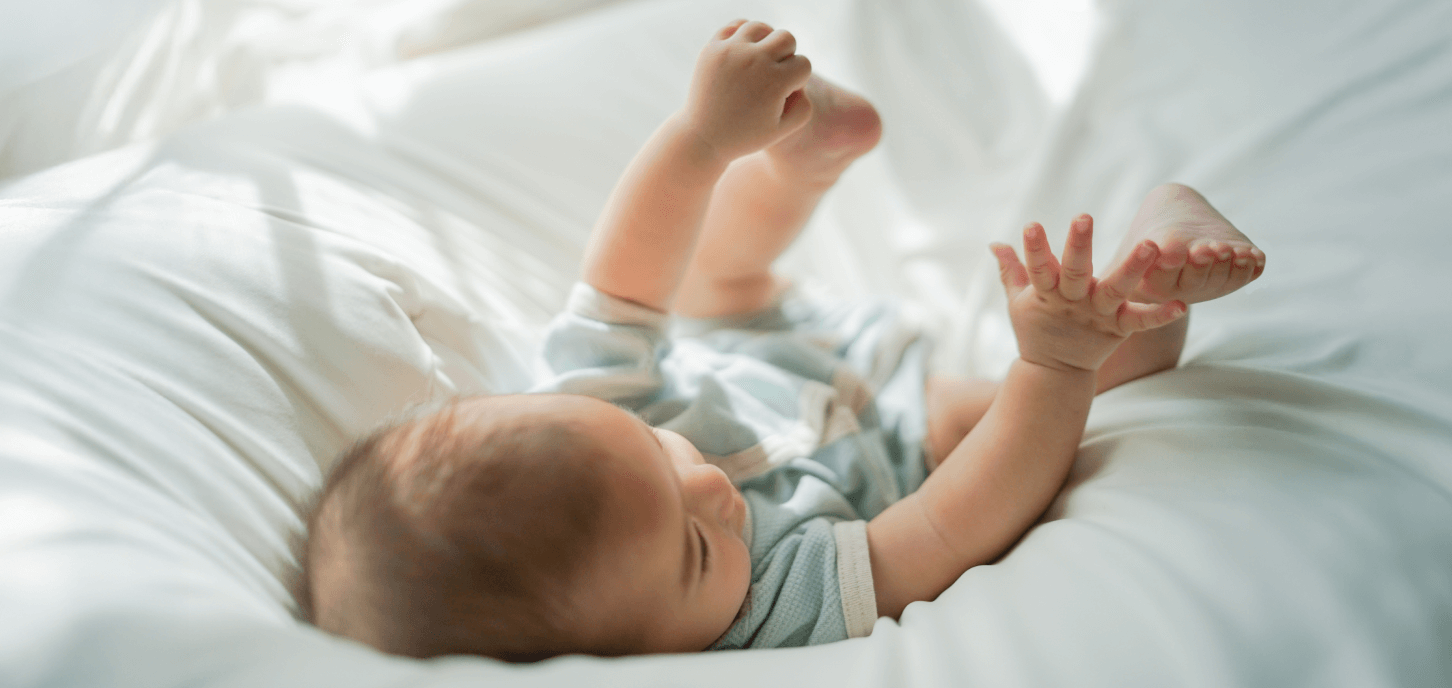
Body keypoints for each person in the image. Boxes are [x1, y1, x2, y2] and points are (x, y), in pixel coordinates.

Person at [296, 19, 1265, 661]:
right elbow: (940, 529)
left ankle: (794, 162)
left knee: (713, 284)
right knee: (1100, 377)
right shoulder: (767, 615)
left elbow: (626, 276)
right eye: (692, 551)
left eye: (658, 453)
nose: (712, 490)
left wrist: (702, 139)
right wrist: (1050, 364)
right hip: (902, 427)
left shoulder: (582, 418)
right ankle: (1153, 267)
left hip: (754, 342)